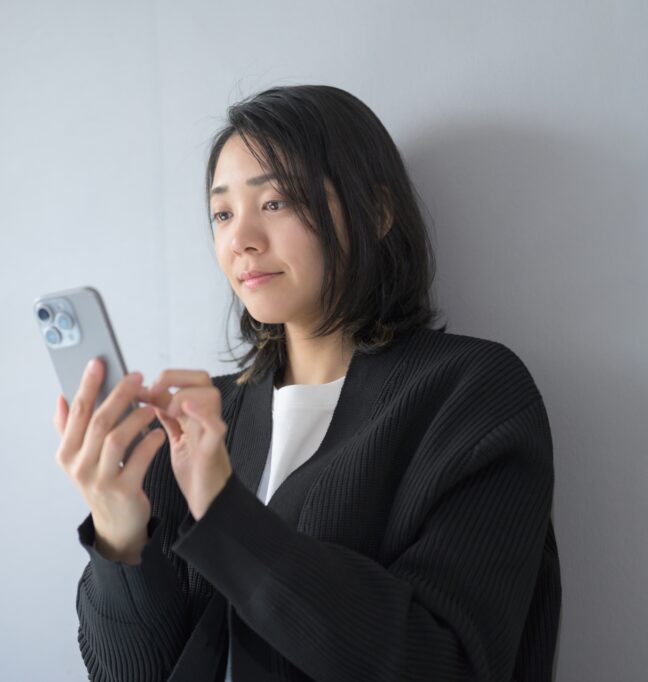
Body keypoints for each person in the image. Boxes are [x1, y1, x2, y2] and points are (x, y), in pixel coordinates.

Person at [53, 84, 561, 681]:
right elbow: (135, 673)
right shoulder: (198, 418)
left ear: (376, 211)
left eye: (275, 202)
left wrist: (225, 516)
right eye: (223, 213)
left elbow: (447, 665)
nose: (240, 239)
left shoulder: (471, 394)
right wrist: (119, 530)